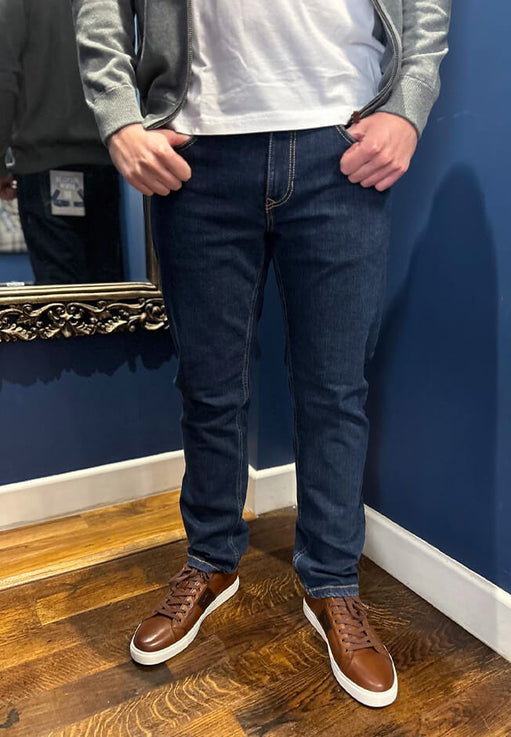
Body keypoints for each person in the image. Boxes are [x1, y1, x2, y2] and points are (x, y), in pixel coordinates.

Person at [73, 0, 451, 707]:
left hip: (341, 143)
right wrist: (119, 117)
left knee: (335, 391)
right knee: (208, 386)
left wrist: (409, 105)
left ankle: (331, 580)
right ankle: (211, 559)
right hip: (197, 148)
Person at [0, 0, 123, 285]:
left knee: (61, 297)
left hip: (45, 162)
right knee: (107, 294)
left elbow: (4, 78)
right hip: (106, 160)